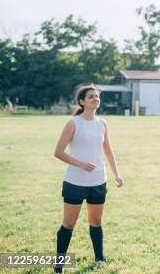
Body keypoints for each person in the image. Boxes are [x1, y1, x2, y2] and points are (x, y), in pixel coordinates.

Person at [53, 85, 124, 273]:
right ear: (82, 102)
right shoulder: (73, 123)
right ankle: (59, 265)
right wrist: (81, 164)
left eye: (97, 96)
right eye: (91, 96)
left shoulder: (103, 123)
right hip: (75, 182)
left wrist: (117, 174)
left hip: (99, 182)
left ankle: (99, 258)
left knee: (96, 223)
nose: (95, 99)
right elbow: (58, 152)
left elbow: (108, 150)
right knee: (68, 225)